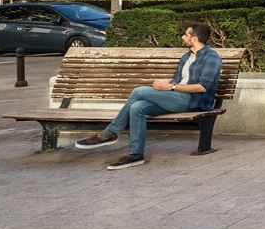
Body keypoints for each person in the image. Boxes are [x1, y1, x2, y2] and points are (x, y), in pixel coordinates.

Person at [72, 20, 223, 170]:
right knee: (137, 107)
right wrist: (169, 82)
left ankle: (109, 133)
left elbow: (202, 87)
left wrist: (171, 86)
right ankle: (135, 155)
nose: (183, 37)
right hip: (176, 97)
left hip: (193, 101)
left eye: (185, 35)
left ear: (194, 39)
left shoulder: (211, 57)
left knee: (139, 91)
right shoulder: (186, 57)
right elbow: (179, 80)